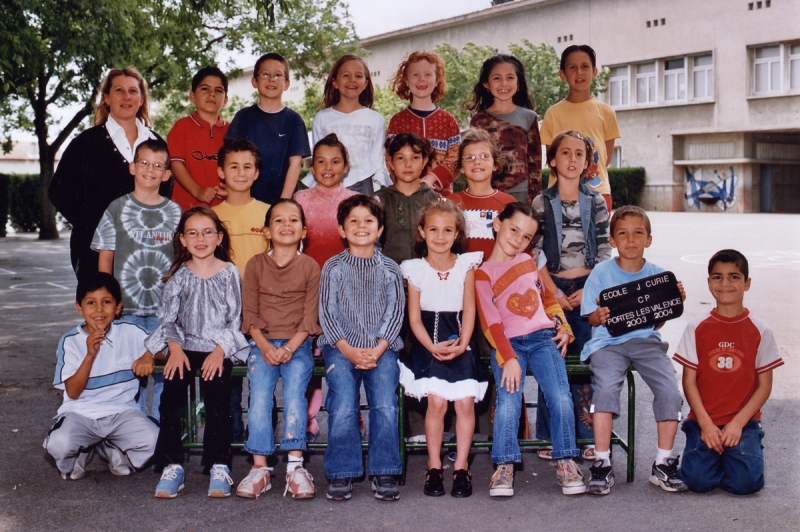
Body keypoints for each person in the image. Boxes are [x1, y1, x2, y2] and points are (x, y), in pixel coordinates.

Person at [476, 202, 585, 498]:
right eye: (513, 230)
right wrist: (508, 358)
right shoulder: (482, 274)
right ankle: (504, 465)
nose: (518, 240)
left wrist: (564, 328)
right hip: (508, 344)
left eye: (526, 237)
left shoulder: (529, 262)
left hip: (543, 338)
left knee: (560, 396)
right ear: (497, 224)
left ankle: (566, 460)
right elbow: (490, 323)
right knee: (509, 401)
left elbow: (550, 302)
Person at [580, 205, 686, 495]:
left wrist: (671, 301)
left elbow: (657, 322)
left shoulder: (658, 275)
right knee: (604, 391)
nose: (630, 240)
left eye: (638, 233)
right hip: (607, 342)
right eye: (622, 234)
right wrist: (598, 316)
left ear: (648, 239)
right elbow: (589, 315)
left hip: (645, 340)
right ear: (612, 240)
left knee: (669, 390)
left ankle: (663, 462)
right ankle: (601, 462)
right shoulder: (601, 273)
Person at [146, 207, 249, 499]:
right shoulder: (178, 275)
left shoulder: (229, 273)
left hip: (219, 347)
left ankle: (219, 464)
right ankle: (172, 465)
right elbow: (167, 319)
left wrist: (220, 352)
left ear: (219, 238)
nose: (200, 238)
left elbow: (235, 319)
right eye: (192, 233)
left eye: (207, 232)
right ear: (182, 239)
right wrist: (175, 350)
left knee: (218, 401)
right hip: (184, 346)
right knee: (170, 398)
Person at [674, 249, 783, 495]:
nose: (725, 283)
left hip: (743, 422)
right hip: (703, 420)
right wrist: (705, 424)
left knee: (747, 484)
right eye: (717, 277)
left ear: (747, 283)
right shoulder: (696, 327)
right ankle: (716, 455)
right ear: (709, 282)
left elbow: (764, 386)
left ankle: (742, 451)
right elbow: (689, 382)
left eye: (734, 277)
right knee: (698, 482)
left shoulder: (760, 330)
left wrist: (737, 424)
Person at [319, 195, 405, 502]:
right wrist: (350, 350)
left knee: (384, 403)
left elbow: (395, 313)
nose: (361, 226)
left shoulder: (390, 268)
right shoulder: (333, 267)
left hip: (382, 347)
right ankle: (342, 472)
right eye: (353, 220)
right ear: (341, 229)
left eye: (368, 220)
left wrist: (379, 349)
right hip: (341, 347)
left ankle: (385, 469)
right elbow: (328, 313)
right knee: (342, 403)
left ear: (380, 229)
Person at [531, 130, 611, 461]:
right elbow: (533, 255)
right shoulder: (539, 202)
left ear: (588, 163)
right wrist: (552, 294)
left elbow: (605, 249)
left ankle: (588, 435)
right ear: (552, 159)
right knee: (554, 362)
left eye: (580, 154)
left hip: (587, 290)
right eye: (565, 153)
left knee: (587, 362)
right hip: (552, 290)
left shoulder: (596, 202)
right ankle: (550, 436)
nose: (573, 159)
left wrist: (590, 290)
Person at [398, 201, 486, 498]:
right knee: (436, 403)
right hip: (428, 340)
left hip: (461, 338)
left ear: (457, 233)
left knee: (464, 404)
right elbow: (413, 318)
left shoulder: (466, 264)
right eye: (433, 229)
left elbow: (471, 310)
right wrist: (430, 346)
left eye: (447, 230)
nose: (440, 236)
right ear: (422, 232)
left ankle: (461, 466)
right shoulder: (415, 270)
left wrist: (463, 343)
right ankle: (434, 466)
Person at [236, 199, 322, 500]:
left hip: (298, 343)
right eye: (278, 221)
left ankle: (296, 467)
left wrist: (290, 347)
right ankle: (260, 467)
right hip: (262, 343)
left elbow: (310, 316)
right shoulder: (256, 265)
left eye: (293, 221)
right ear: (267, 231)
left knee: (295, 394)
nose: (286, 225)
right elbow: (250, 313)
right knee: (259, 396)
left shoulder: (311, 266)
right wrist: (263, 346)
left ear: (304, 231)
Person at [91, 138, 181, 421]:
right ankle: (133, 430)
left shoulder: (176, 213)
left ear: (167, 174)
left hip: (163, 312)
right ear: (132, 167)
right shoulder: (116, 209)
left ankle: (161, 432)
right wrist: (106, 304)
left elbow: (182, 261)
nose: (150, 170)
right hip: (125, 309)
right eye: (144, 163)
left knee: (166, 374)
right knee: (131, 373)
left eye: (158, 166)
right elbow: (105, 259)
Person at [49, 67, 167, 278]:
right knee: (104, 310)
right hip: (93, 251)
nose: (126, 97)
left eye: (133, 91)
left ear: (141, 99)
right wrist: (95, 227)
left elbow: (165, 193)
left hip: (145, 249)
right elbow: (59, 192)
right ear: (106, 98)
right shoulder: (85, 143)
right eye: (119, 90)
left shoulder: (157, 144)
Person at [43, 273, 158, 480]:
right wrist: (90, 355)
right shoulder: (70, 341)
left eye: (106, 302)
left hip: (121, 412)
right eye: (90, 303)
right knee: (59, 445)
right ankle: (80, 451)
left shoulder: (130, 332)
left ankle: (111, 446)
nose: (98, 310)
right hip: (80, 414)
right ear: (79, 307)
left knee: (156, 440)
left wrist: (149, 354)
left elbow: (162, 347)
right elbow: (73, 392)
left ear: (118, 307)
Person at [294, 133, 357, 442]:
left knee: (344, 354)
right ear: (311, 166)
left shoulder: (355, 200)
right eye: (320, 162)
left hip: (346, 291)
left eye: (335, 162)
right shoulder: (300, 200)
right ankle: (306, 417)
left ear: (346, 166)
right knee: (309, 354)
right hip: (308, 289)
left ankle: (350, 416)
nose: (328, 168)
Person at [211, 137, 269, 443]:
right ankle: (229, 439)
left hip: (262, 310)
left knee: (262, 378)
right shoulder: (210, 217)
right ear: (221, 172)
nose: (241, 172)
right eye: (233, 166)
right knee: (227, 378)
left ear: (257, 173)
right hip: (224, 312)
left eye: (248, 166)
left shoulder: (269, 213)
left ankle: (261, 438)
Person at [540, 45, 621, 212]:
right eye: (572, 67)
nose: (579, 72)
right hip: (559, 195)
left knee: (596, 237)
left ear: (594, 72)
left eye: (585, 66)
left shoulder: (606, 112)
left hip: (598, 193)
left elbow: (606, 157)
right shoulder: (553, 114)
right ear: (562, 74)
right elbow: (552, 159)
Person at [226, 53, 310, 205]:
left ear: (287, 84)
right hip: (246, 200)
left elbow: (295, 164)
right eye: (265, 74)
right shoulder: (243, 117)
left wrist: (283, 202)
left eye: (278, 75)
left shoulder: (293, 120)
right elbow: (230, 158)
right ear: (254, 81)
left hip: (282, 199)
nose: (271, 79)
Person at [309, 54, 390, 195]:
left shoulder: (375, 119)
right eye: (346, 75)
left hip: (364, 184)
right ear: (334, 82)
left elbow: (378, 161)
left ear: (365, 83)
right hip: (330, 184)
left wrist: (377, 192)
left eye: (358, 76)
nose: (352, 80)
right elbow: (319, 159)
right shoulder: (322, 118)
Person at [467, 55, 542, 203]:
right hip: (487, 192)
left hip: (521, 193)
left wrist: (534, 199)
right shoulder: (478, 121)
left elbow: (535, 164)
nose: (504, 84)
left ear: (518, 83)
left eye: (510, 78)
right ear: (486, 84)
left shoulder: (529, 117)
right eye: (497, 78)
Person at [386, 50, 461, 193]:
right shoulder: (398, 121)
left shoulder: (448, 120)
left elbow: (455, 158)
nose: (421, 80)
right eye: (415, 74)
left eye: (428, 74)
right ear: (406, 81)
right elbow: (390, 158)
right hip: (406, 195)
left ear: (436, 80)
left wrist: (433, 178)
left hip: (441, 199)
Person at [167, 66, 230, 210]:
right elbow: (175, 164)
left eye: (218, 90)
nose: (211, 94)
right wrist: (198, 191)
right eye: (205, 89)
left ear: (225, 100)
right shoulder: (182, 127)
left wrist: (231, 190)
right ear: (192, 96)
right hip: (187, 209)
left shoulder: (232, 130)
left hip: (224, 210)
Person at [449, 129, 517, 260]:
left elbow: (520, 247)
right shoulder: (450, 203)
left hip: (497, 276)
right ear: (461, 167)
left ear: (495, 164)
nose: (477, 162)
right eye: (469, 157)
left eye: (484, 156)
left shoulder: (508, 203)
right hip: (460, 277)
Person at [376, 132, 442, 265]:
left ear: (424, 161)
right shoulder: (378, 200)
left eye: (415, 158)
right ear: (390, 162)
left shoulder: (437, 201)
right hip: (390, 276)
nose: (408, 164)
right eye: (401, 158)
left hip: (426, 276)